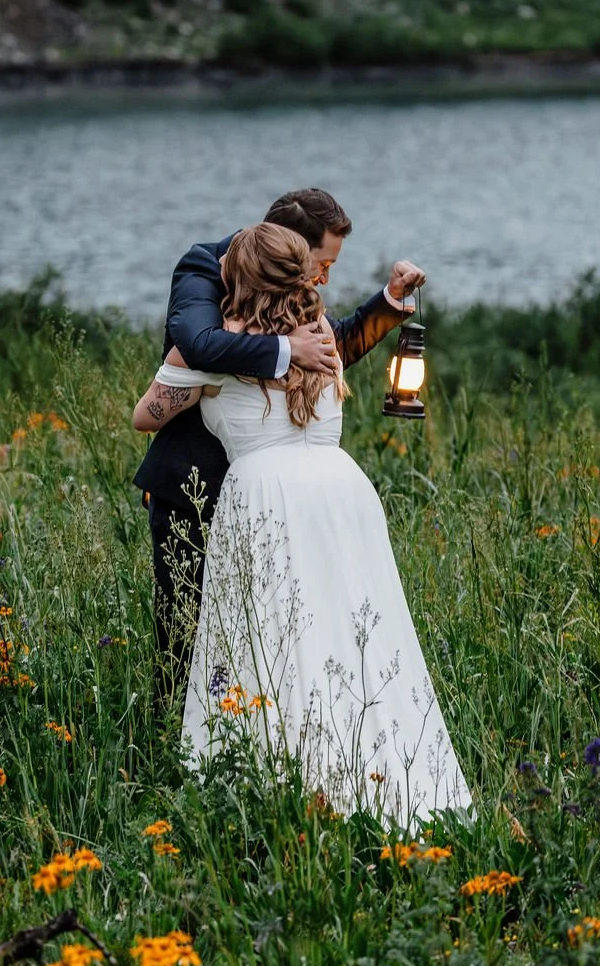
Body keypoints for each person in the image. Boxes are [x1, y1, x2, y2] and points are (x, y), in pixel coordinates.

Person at [133, 223, 471, 824]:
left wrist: (186, 376)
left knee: (268, 643)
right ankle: (382, 779)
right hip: (343, 494)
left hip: (266, 495)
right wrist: (388, 304)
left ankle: (277, 785)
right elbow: (338, 337)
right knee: (351, 637)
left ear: (236, 277)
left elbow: (144, 417)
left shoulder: (212, 348)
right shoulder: (322, 339)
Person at [134, 188, 424, 696]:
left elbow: (327, 349)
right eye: (321, 265)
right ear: (288, 248)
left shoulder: (302, 316)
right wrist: (288, 349)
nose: (321, 279)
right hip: (194, 486)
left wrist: (389, 303)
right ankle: (171, 753)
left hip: (284, 503)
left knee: (290, 641)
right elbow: (200, 345)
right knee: (185, 642)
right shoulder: (206, 266)